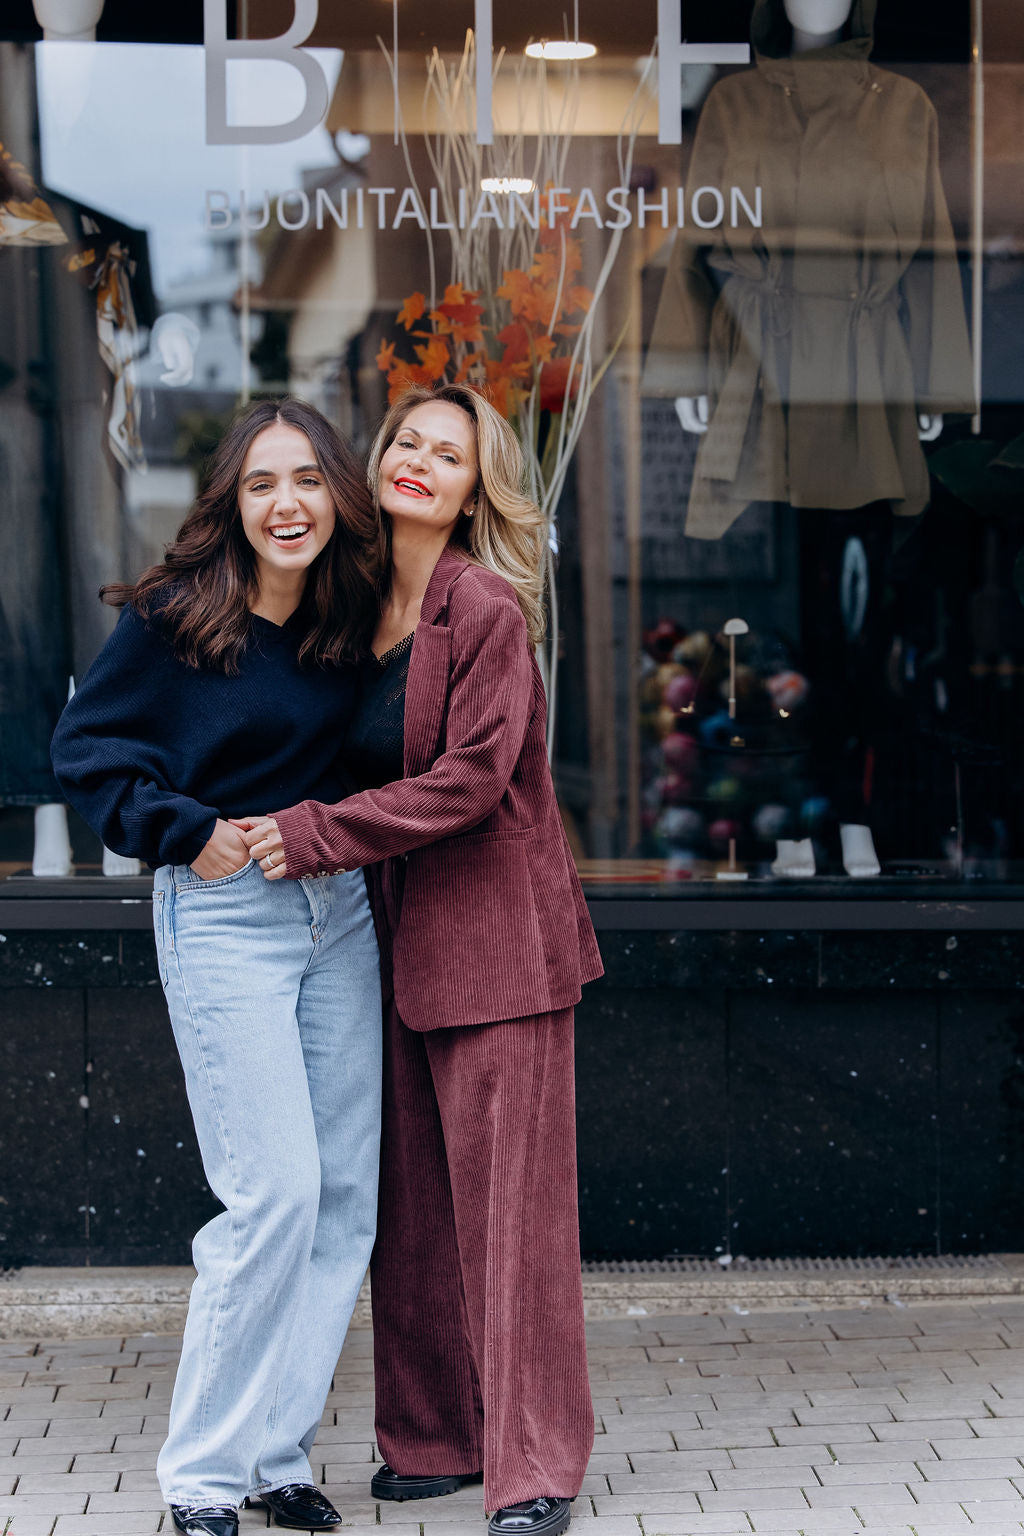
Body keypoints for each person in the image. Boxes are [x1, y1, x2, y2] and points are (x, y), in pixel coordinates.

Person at [239, 382, 604, 1536]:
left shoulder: (482, 606)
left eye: (447, 455)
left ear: (471, 486)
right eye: (405, 441)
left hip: (496, 950)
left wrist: (308, 836)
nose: (417, 463)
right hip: (381, 945)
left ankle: (535, 1462)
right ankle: (435, 1437)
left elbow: (470, 779)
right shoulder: (349, 610)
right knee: (411, 1211)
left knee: (513, 1223)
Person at [50, 398, 383, 1536]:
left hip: (335, 912)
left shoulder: (352, 616)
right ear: (231, 504)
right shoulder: (173, 618)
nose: (286, 504)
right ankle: (202, 1474)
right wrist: (185, 828)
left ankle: (275, 1453)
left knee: (341, 1201)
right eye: (260, 484)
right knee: (273, 1194)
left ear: (338, 494)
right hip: (225, 908)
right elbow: (86, 751)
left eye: (305, 481)